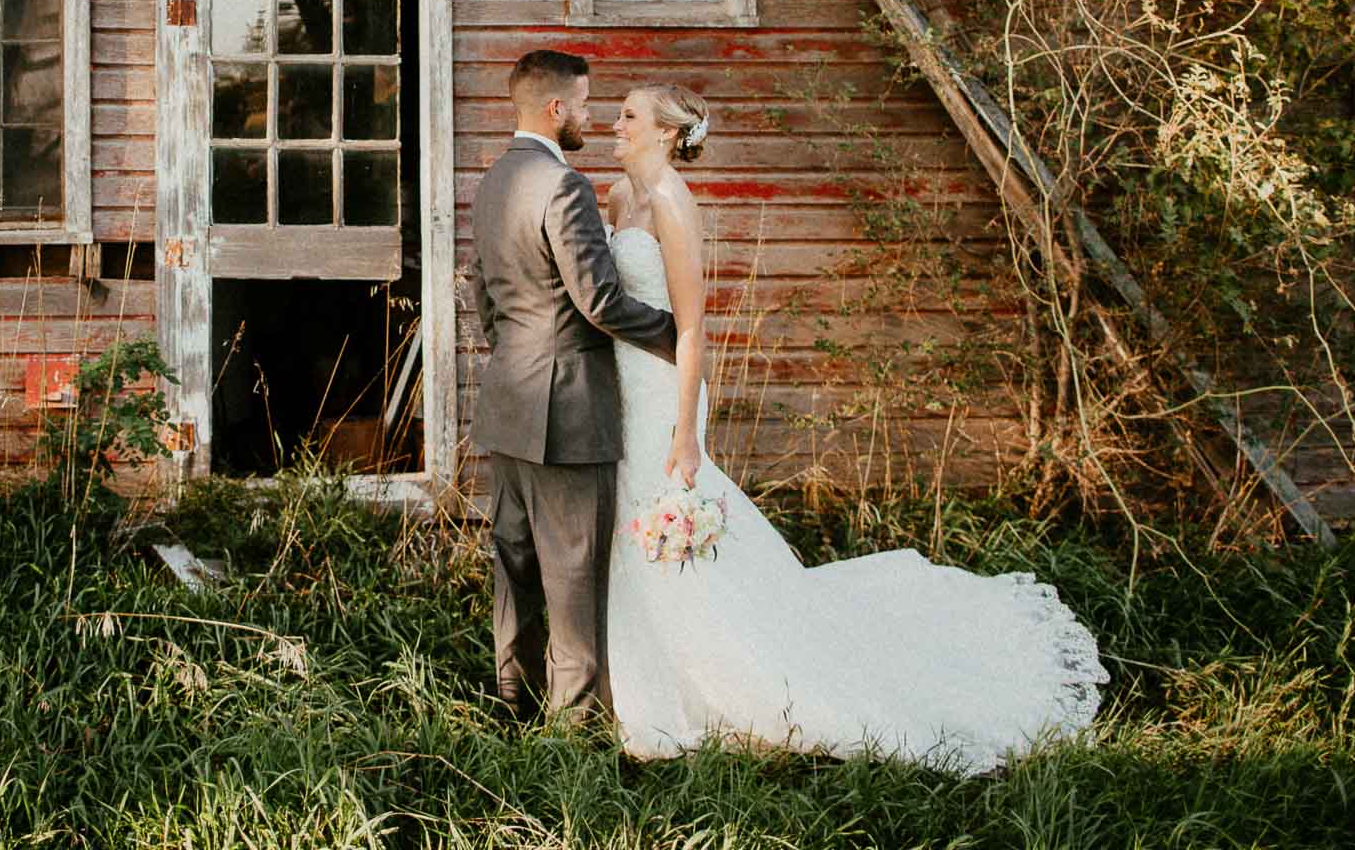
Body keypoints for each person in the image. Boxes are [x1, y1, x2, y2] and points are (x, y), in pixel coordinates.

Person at [598, 83, 1108, 773]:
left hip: (664, 389)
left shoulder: (670, 204)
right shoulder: (619, 198)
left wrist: (687, 430)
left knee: (669, 525)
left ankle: (720, 678)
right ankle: (648, 673)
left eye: (629, 115)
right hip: (620, 386)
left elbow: (691, 326)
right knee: (631, 527)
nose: (616, 123)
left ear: (664, 132)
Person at [469, 49, 678, 720]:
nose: (592, 117)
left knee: (517, 566)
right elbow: (600, 302)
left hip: (508, 399)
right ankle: (578, 727)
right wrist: (678, 337)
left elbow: (484, 298)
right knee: (575, 576)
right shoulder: (566, 187)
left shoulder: (496, 179)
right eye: (586, 106)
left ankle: (514, 703)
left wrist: (516, 357)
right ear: (557, 110)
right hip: (568, 410)